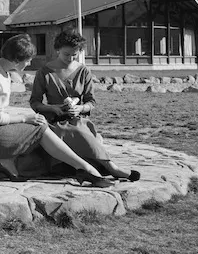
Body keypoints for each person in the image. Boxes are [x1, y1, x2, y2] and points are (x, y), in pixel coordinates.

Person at [0, 34, 114, 187]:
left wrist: (27, 117)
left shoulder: (1, 71)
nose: (29, 63)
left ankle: (83, 167)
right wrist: (25, 118)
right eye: (27, 60)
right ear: (16, 59)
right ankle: (84, 168)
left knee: (39, 123)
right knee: (39, 128)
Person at [29, 29, 140, 181]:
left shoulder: (84, 71)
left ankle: (103, 167)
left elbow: (91, 102)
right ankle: (112, 168)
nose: (70, 58)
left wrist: (80, 108)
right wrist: (52, 108)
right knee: (78, 131)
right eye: (66, 54)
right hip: (55, 121)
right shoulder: (44, 72)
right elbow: (35, 102)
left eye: (75, 54)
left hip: (78, 118)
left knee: (79, 128)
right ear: (57, 50)